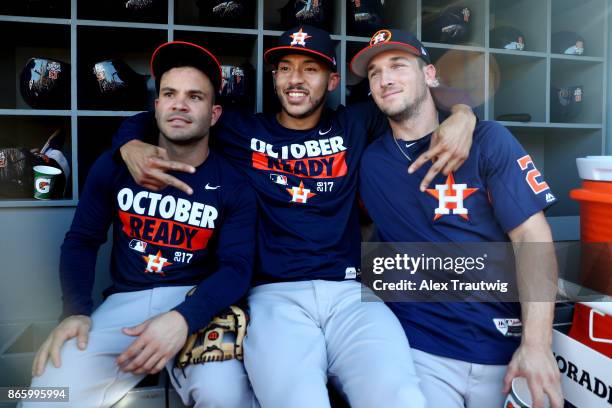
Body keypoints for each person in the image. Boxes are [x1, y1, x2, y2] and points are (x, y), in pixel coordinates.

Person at [113, 25, 476, 408]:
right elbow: (172, 114)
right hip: (274, 295)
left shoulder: (353, 123)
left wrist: (464, 115)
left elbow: (415, 100)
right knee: (297, 400)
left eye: (310, 69)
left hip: (350, 293)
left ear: (333, 80)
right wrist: (129, 143)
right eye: (285, 68)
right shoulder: (242, 129)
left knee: (398, 395)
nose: (295, 80)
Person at [22, 41, 258, 408]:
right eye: (169, 94)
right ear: (157, 105)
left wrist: (184, 317)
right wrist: (74, 311)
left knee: (226, 395)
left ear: (214, 114)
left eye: (194, 96)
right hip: (124, 302)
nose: (179, 104)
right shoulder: (115, 164)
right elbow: (82, 240)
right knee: (44, 391)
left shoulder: (234, 183)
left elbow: (237, 268)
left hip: (200, 300)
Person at [351, 29, 563, 408]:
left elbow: (533, 237)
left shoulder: (489, 140)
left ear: (430, 75)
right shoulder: (371, 163)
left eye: (398, 65)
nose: (385, 79)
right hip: (420, 349)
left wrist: (537, 345)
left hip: (504, 344)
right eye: (375, 73)